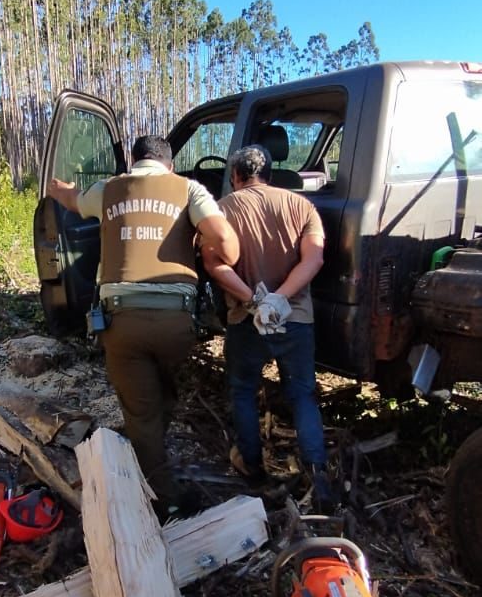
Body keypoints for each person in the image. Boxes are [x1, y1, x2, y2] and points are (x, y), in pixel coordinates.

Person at [48, 135, 239, 522]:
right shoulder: (189, 189)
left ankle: (164, 500)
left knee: (142, 411)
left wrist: (63, 189)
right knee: (163, 397)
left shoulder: (110, 188)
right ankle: (152, 463)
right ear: (168, 164)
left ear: (133, 162)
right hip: (176, 322)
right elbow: (227, 244)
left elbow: (73, 202)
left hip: (122, 321)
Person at [201, 144, 334, 511]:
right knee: (303, 395)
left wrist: (254, 299)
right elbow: (315, 258)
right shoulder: (302, 206)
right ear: (271, 174)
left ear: (236, 176)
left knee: (243, 391)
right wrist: (281, 298)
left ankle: (254, 469)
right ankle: (317, 474)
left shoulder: (221, 211)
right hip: (295, 320)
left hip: (247, 321)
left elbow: (214, 264)